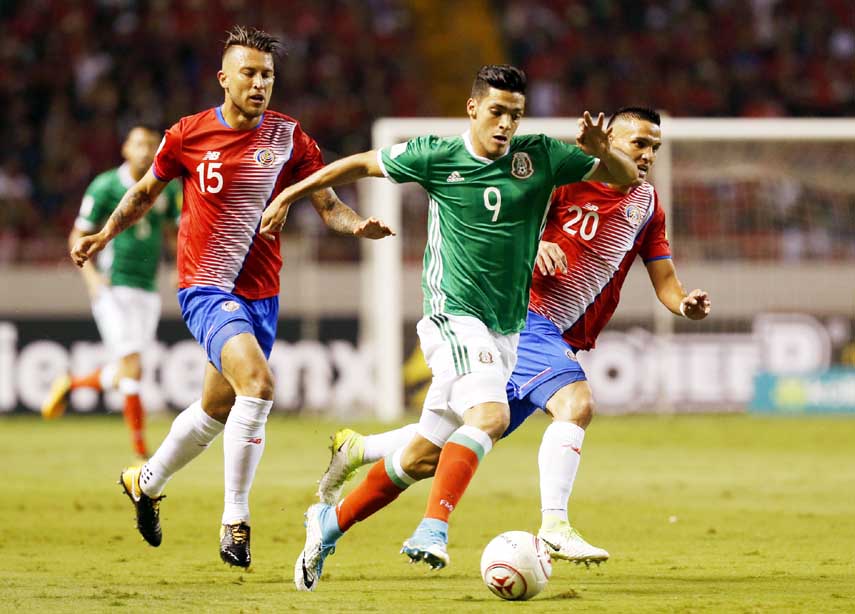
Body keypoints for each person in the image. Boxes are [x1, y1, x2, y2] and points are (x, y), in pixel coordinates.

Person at [260, 64, 639, 591]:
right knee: (489, 415)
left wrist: (603, 151)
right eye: (497, 112)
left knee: (419, 457)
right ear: (473, 108)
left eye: (515, 114)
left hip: (505, 330)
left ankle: (328, 522)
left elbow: (624, 177)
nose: (506, 124)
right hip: (452, 316)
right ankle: (433, 528)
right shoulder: (437, 154)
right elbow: (361, 165)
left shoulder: (541, 157)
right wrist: (290, 194)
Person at [316, 107, 712, 568]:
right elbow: (503, 214)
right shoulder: (563, 176)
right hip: (522, 318)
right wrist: (534, 241)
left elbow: (663, 278)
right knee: (575, 403)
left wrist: (684, 303)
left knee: (430, 455)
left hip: (552, 333)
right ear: (608, 139)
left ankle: (347, 480)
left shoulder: (647, 204)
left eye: (654, 148)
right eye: (638, 144)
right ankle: (555, 525)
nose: (647, 156)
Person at [70, 25, 393, 569]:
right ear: (225, 78)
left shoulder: (291, 138)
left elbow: (329, 205)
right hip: (206, 286)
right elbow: (147, 191)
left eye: (268, 74)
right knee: (260, 385)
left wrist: (357, 225)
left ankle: (144, 483)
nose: (260, 83)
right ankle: (236, 521)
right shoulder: (187, 135)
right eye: (249, 73)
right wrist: (105, 233)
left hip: (262, 295)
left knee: (216, 410)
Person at [41, 125, 181, 459]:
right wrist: (90, 278)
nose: (146, 150)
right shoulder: (105, 186)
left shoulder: (167, 187)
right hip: (113, 287)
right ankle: (141, 452)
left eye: (151, 145)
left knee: (129, 372)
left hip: (147, 289)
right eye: (139, 144)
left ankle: (71, 383)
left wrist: (179, 265)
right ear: (125, 150)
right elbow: (78, 234)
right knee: (132, 368)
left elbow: (174, 233)